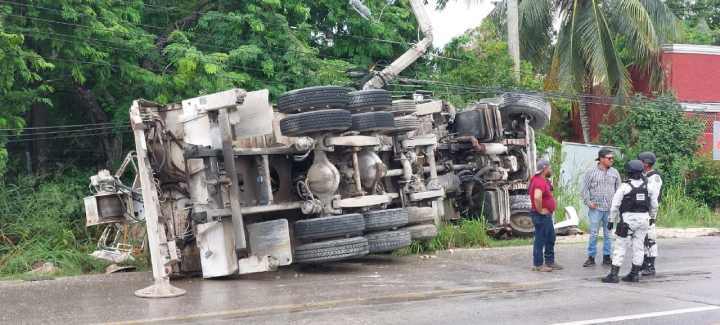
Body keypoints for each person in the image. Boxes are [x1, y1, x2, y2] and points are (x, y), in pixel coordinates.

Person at [602, 160, 659, 283]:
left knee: (620, 246)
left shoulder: (625, 186)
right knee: (639, 247)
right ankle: (634, 274)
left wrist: (611, 220)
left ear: (629, 172)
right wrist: (652, 218)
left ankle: (614, 275)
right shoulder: (648, 186)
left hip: (627, 220)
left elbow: (615, 205)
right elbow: (654, 205)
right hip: (644, 219)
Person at [581, 148, 621, 267]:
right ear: (602, 159)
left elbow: (619, 190)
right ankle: (591, 257)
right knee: (593, 233)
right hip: (596, 208)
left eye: (612, 158)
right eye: (609, 158)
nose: (612, 160)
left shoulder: (615, 172)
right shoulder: (591, 172)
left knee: (608, 234)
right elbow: (584, 190)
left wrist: (617, 205)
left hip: (610, 209)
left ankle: (607, 257)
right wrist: (588, 202)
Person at [528, 158, 563, 272]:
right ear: (544, 168)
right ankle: (538, 265)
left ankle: (549, 261)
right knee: (540, 239)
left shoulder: (544, 180)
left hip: (546, 215)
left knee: (550, 238)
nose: (551, 169)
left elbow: (548, 193)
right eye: (549, 167)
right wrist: (540, 210)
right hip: (541, 215)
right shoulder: (539, 181)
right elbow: (537, 197)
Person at [638, 152, 662, 276]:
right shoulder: (643, 175)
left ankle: (650, 265)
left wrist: (653, 216)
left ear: (646, 163)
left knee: (650, 238)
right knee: (642, 238)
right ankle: (643, 263)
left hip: (649, 211)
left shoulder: (654, 177)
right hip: (641, 211)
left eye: (641, 161)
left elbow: (653, 197)